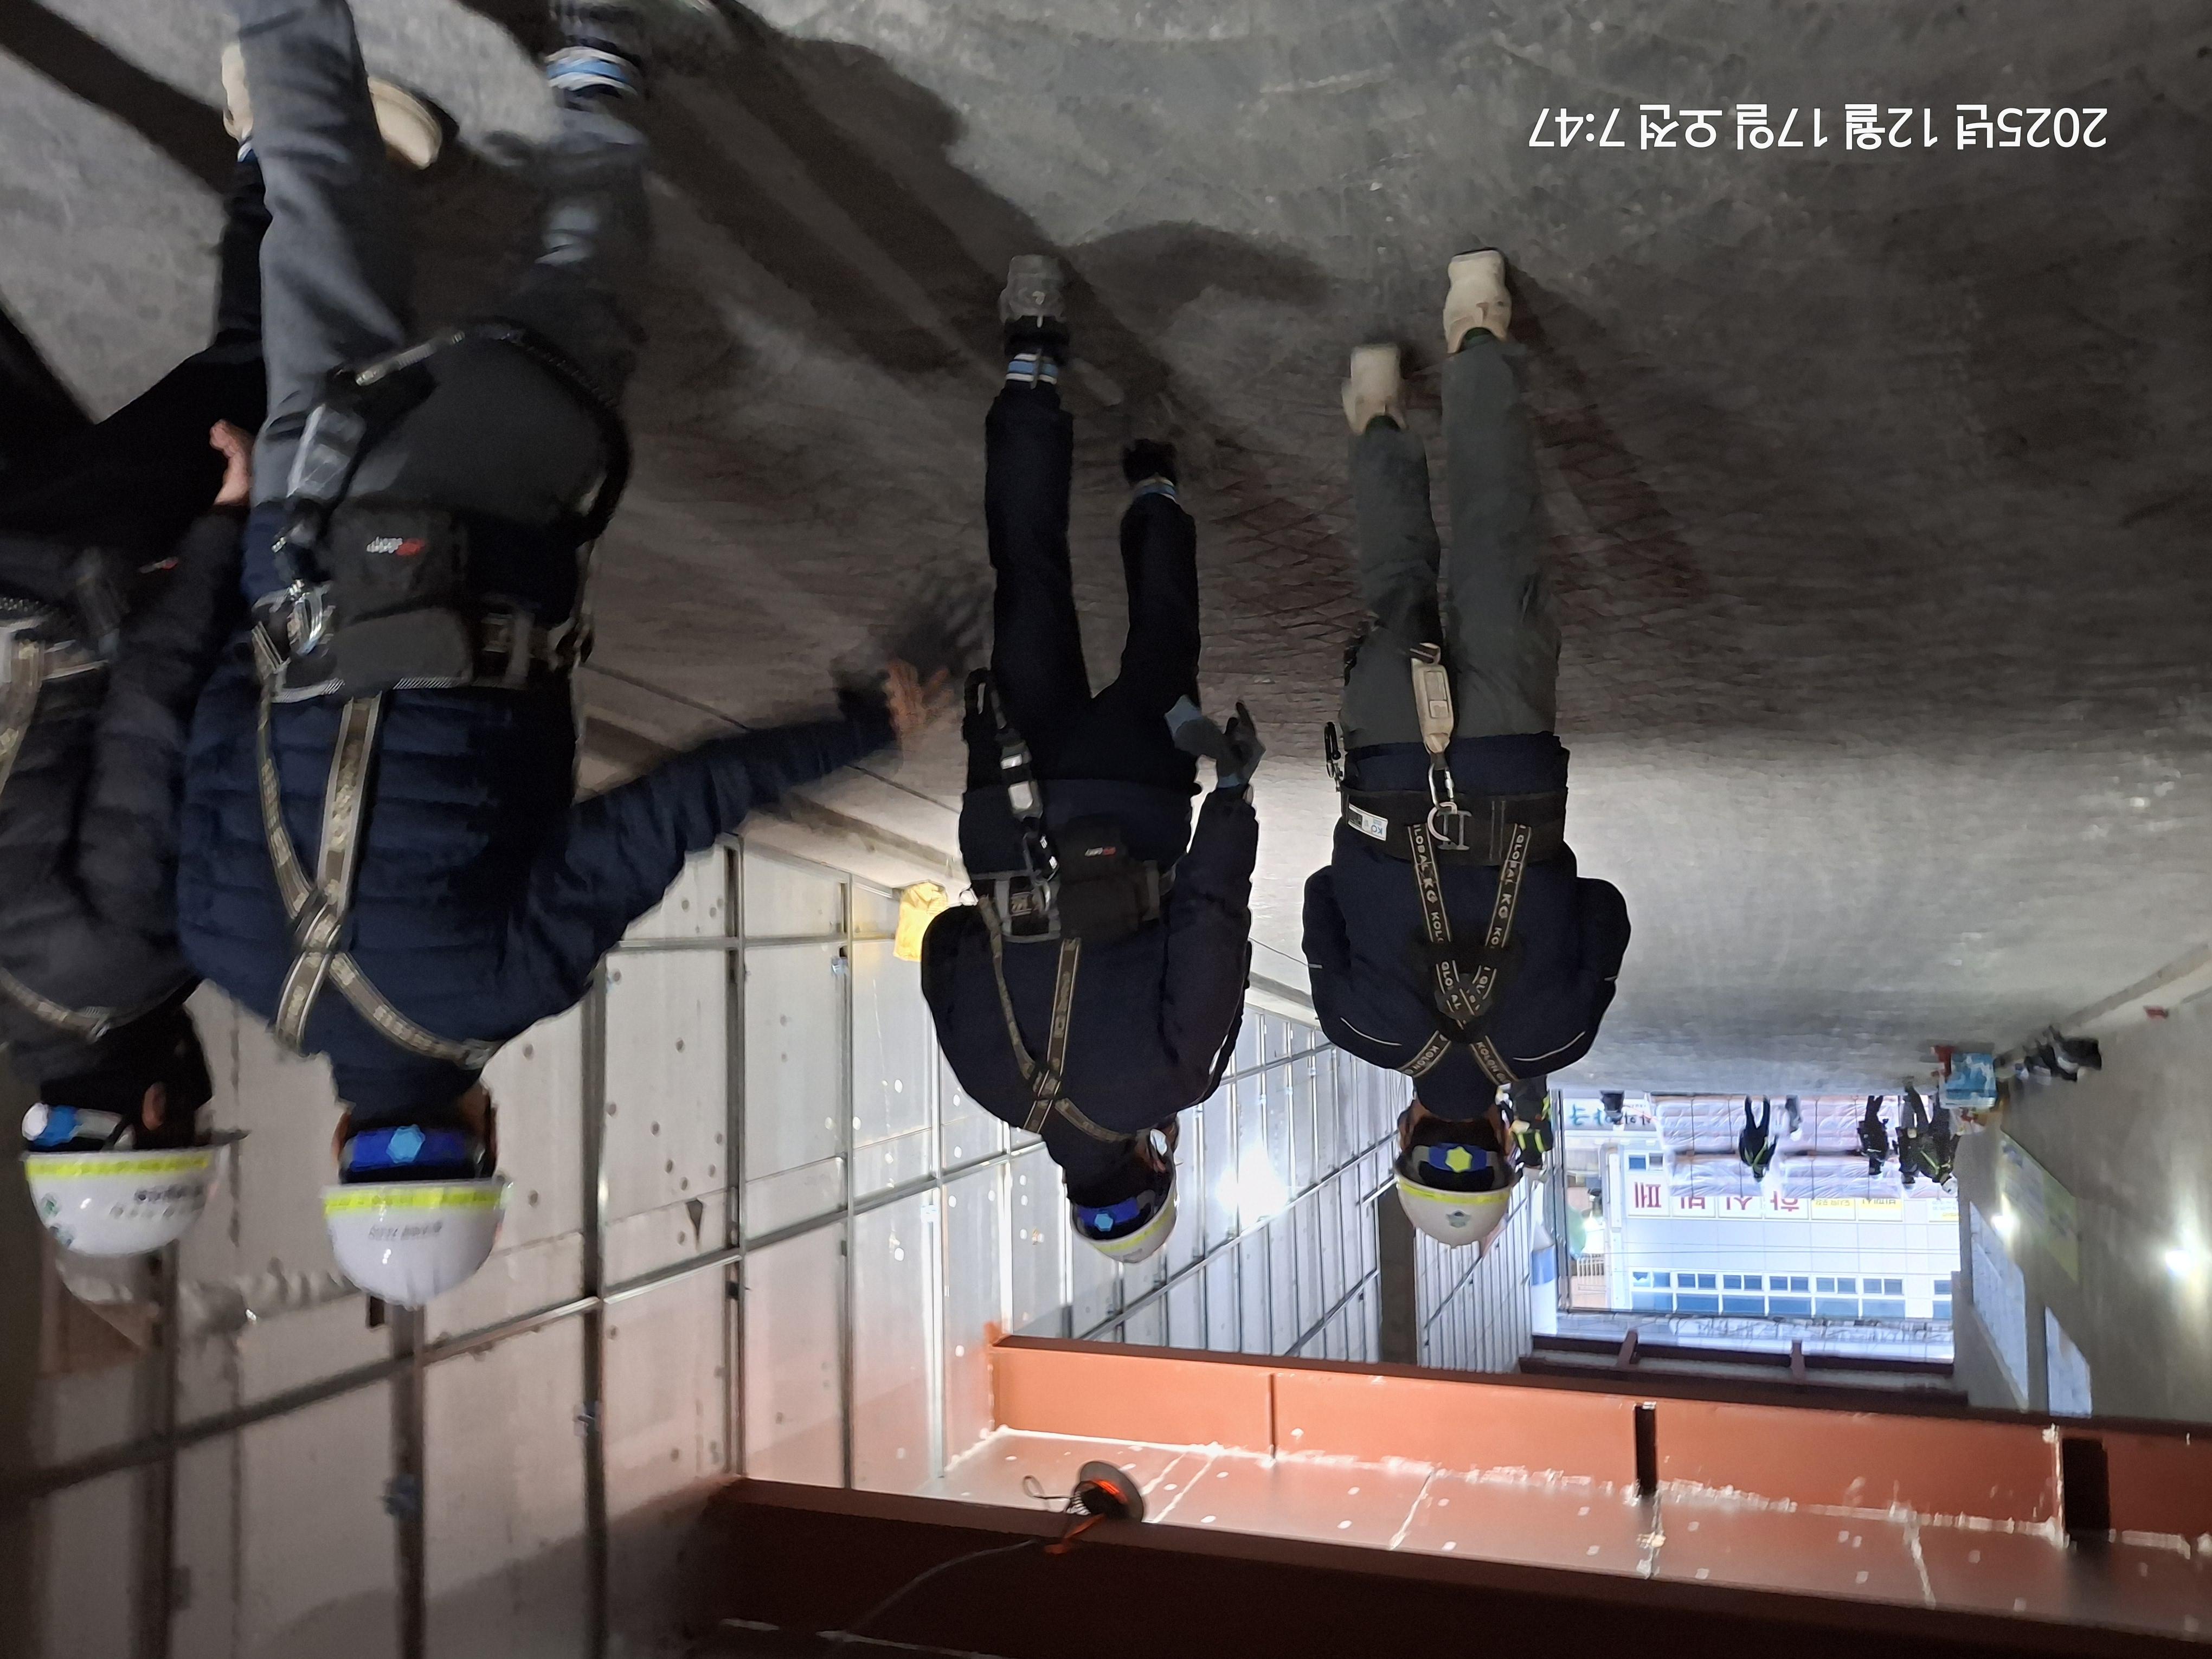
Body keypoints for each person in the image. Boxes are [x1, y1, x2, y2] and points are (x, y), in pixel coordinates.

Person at [177, 0, 957, 1308]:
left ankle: (597, 79)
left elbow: (676, 808)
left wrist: (864, 727)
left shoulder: (507, 984)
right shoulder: (225, 949)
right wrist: (235, 535)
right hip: (301, 525)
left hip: (479, 528)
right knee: (317, 198)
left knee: (580, 308)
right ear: (337, 1145)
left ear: (483, 1137)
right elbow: (213, 714)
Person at [920, 256, 1261, 1268]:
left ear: (1156, 1165)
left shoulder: (1176, 1079)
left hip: (1135, 795)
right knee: (1027, 578)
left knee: (1163, 642)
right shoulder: (991, 1087)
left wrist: (1233, 800)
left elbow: (1210, 920)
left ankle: (1154, 470)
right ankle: (1031, 351)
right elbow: (946, 942)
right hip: (1013, 791)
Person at [1302, 249, 1630, 1251]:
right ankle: (1377, 407)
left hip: (1511, 755)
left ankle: (1475, 319)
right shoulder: (1356, 1030)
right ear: (1405, 1136)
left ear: (1503, 1136)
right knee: (1395, 590)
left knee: (1497, 538)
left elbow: (1604, 907)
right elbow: (1319, 896)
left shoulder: (1559, 1038)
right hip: (1384, 759)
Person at [1737, 1096, 1776, 1180]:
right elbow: (1741, 1148)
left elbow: (1770, 1152)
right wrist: (1742, 1137)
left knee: (1765, 1119)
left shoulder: (1763, 1164)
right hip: (1749, 1137)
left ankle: (1766, 1101)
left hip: (1762, 1137)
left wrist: (1775, 1142)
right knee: (1749, 1118)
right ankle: (1748, 1101)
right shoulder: (1746, 1161)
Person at [1856, 1094, 1891, 1175]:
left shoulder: (1876, 1157)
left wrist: (1861, 1132)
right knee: (1871, 1113)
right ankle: (1876, 1097)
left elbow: (1865, 1143)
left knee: (1870, 1112)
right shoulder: (1882, 1158)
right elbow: (1884, 1143)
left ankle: (1876, 1097)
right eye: (1872, 1170)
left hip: (1871, 1131)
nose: (1871, 1168)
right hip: (1876, 1131)